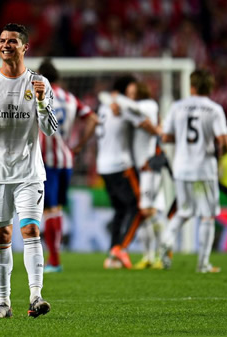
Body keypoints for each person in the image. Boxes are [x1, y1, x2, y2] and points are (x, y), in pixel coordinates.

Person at [0, 23, 57, 318]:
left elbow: (50, 129)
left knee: (30, 230)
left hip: (29, 173)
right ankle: (3, 303)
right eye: (2, 40)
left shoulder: (39, 83)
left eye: (12, 41)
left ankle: (36, 297)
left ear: (25, 47)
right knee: (2, 236)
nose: (6, 45)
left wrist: (42, 102)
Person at [160, 69, 227, 273]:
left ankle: (166, 241)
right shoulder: (214, 109)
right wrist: (223, 151)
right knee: (207, 215)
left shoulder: (177, 107)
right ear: (210, 87)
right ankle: (203, 264)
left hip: (181, 168)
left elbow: (165, 137)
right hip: (203, 171)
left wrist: (181, 139)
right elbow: (223, 141)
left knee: (184, 210)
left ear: (191, 86)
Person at [37, 58, 97, 273]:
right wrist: (79, 145)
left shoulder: (40, 95)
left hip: (47, 161)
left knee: (49, 210)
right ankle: (53, 258)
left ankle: (54, 260)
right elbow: (92, 119)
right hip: (66, 159)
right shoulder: (70, 98)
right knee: (57, 209)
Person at [96, 75, 160, 269]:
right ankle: (121, 249)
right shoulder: (123, 109)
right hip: (120, 165)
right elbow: (145, 125)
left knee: (119, 211)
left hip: (102, 167)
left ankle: (112, 255)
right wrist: (159, 132)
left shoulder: (103, 107)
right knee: (139, 207)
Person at [111, 82, 168, 269]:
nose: (130, 96)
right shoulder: (134, 111)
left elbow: (134, 111)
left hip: (149, 165)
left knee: (148, 211)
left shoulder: (148, 105)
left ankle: (164, 255)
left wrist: (119, 102)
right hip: (141, 168)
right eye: (128, 93)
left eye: (133, 93)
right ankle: (150, 257)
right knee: (148, 212)